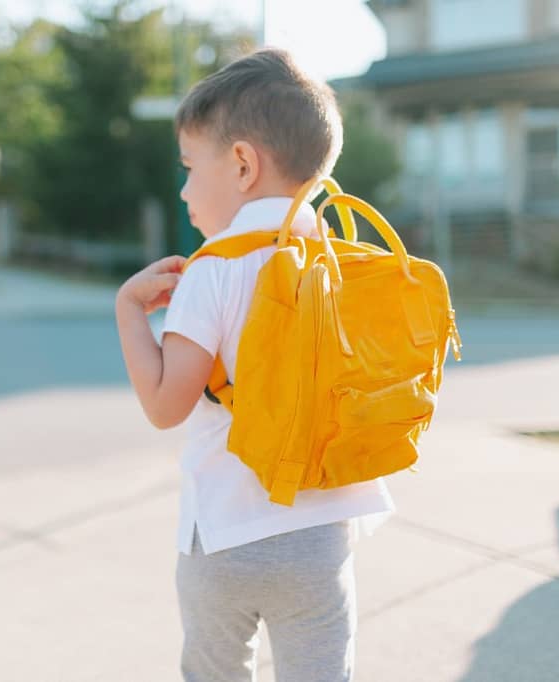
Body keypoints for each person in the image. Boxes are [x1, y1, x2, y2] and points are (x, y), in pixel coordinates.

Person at [114, 48, 395, 681]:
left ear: (242, 164)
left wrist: (130, 313)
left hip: (225, 536)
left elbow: (165, 405)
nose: (183, 188)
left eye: (189, 168)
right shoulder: (343, 268)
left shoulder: (212, 272)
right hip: (322, 535)